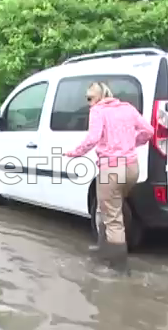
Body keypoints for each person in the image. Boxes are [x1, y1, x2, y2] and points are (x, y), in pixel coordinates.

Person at [64, 81, 154, 270]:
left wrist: (75, 152)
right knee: (109, 207)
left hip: (110, 170)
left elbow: (93, 138)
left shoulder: (98, 111)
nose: (88, 103)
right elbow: (149, 131)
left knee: (113, 217)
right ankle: (103, 248)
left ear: (99, 97)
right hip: (131, 168)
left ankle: (118, 266)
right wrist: (132, 143)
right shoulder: (127, 108)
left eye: (90, 98)